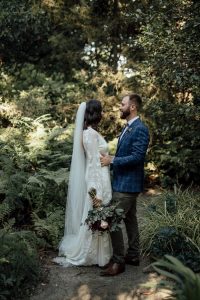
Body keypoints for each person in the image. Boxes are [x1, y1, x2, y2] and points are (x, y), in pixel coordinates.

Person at [54, 100, 112, 267]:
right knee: (95, 213)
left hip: (94, 177)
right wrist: (96, 193)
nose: (103, 114)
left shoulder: (86, 133)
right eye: (101, 111)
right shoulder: (91, 134)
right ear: (96, 114)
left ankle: (96, 253)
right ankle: (91, 254)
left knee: (91, 216)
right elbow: (94, 164)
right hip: (95, 179)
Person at [100, 93, 149, 276]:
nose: (120, 107)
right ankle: (134, 255)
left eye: (123, 104)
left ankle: (118, 262)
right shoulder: (128, 127)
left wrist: (113, 160)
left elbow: (137, 157)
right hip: (124, 181)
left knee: (112, 220)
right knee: (130, 218)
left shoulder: (140, 129)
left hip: (127, 185)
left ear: (133, 107)